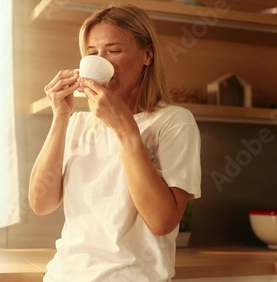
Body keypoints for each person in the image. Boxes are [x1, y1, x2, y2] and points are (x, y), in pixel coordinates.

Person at [29, 4, 201, 282]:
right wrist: (61, 117)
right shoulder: (78, 123)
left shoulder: (174, 122)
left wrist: (125, 128)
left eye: (114, 50)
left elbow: (162, 222)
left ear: (147, 54)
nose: (102, 61)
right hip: (64, 275)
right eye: (93, 53)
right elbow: (41, 203)